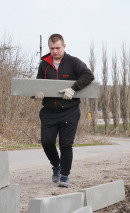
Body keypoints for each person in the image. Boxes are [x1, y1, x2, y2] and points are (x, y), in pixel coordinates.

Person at [35, 34, 94, 187]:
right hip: (49, 111)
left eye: (58, 48)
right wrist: (36, 94)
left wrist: (73, 89)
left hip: (69, 111)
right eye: (52, 48)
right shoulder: (44, 64)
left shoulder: (73, 62)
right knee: (47, 142)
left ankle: (65, 175)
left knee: (65, 145)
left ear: (64, 46)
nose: (55, 51)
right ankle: (56, 165)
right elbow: (36, 85)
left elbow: (88, 76)